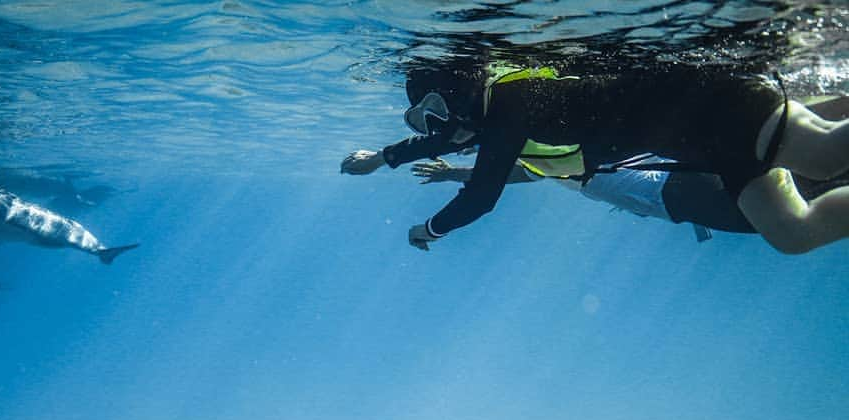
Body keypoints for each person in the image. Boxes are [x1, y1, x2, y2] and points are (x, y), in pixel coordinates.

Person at [341, 64, 849, 254]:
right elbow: (447, 139)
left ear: (460, 93)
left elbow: (479, 199)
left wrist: (429, 229)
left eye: (435, 112)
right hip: (703, 144)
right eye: (421, 119)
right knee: (791, 233)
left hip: (713, 107)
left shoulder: (511, 107)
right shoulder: (490, 116)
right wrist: (383, 157)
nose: (434, 129)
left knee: (825, 157)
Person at [412, 94, 849, 241]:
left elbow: (526, 173)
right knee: (783, 147)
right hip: (670, 169)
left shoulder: (522, 141)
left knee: (770, 211)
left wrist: (455, 177)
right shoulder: (533, 124)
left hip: (659, 188)